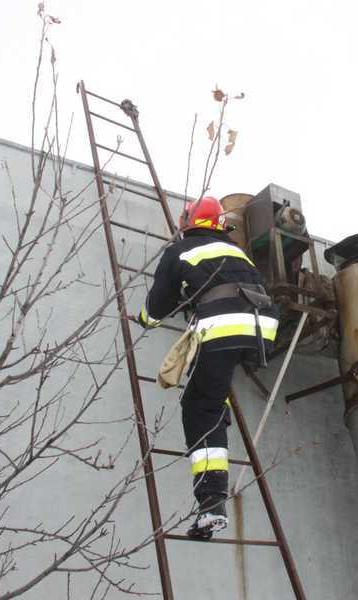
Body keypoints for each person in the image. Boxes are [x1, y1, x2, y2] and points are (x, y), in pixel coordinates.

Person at [136, 196, 278, 539]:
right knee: (213, 396)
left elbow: (157, 307)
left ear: (188, 222)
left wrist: (144, 320)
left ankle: (212, 504)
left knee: (200, 408)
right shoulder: (237, 252)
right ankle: (219, 412)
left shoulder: (180, 251)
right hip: (261, 329)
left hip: (222, 327)